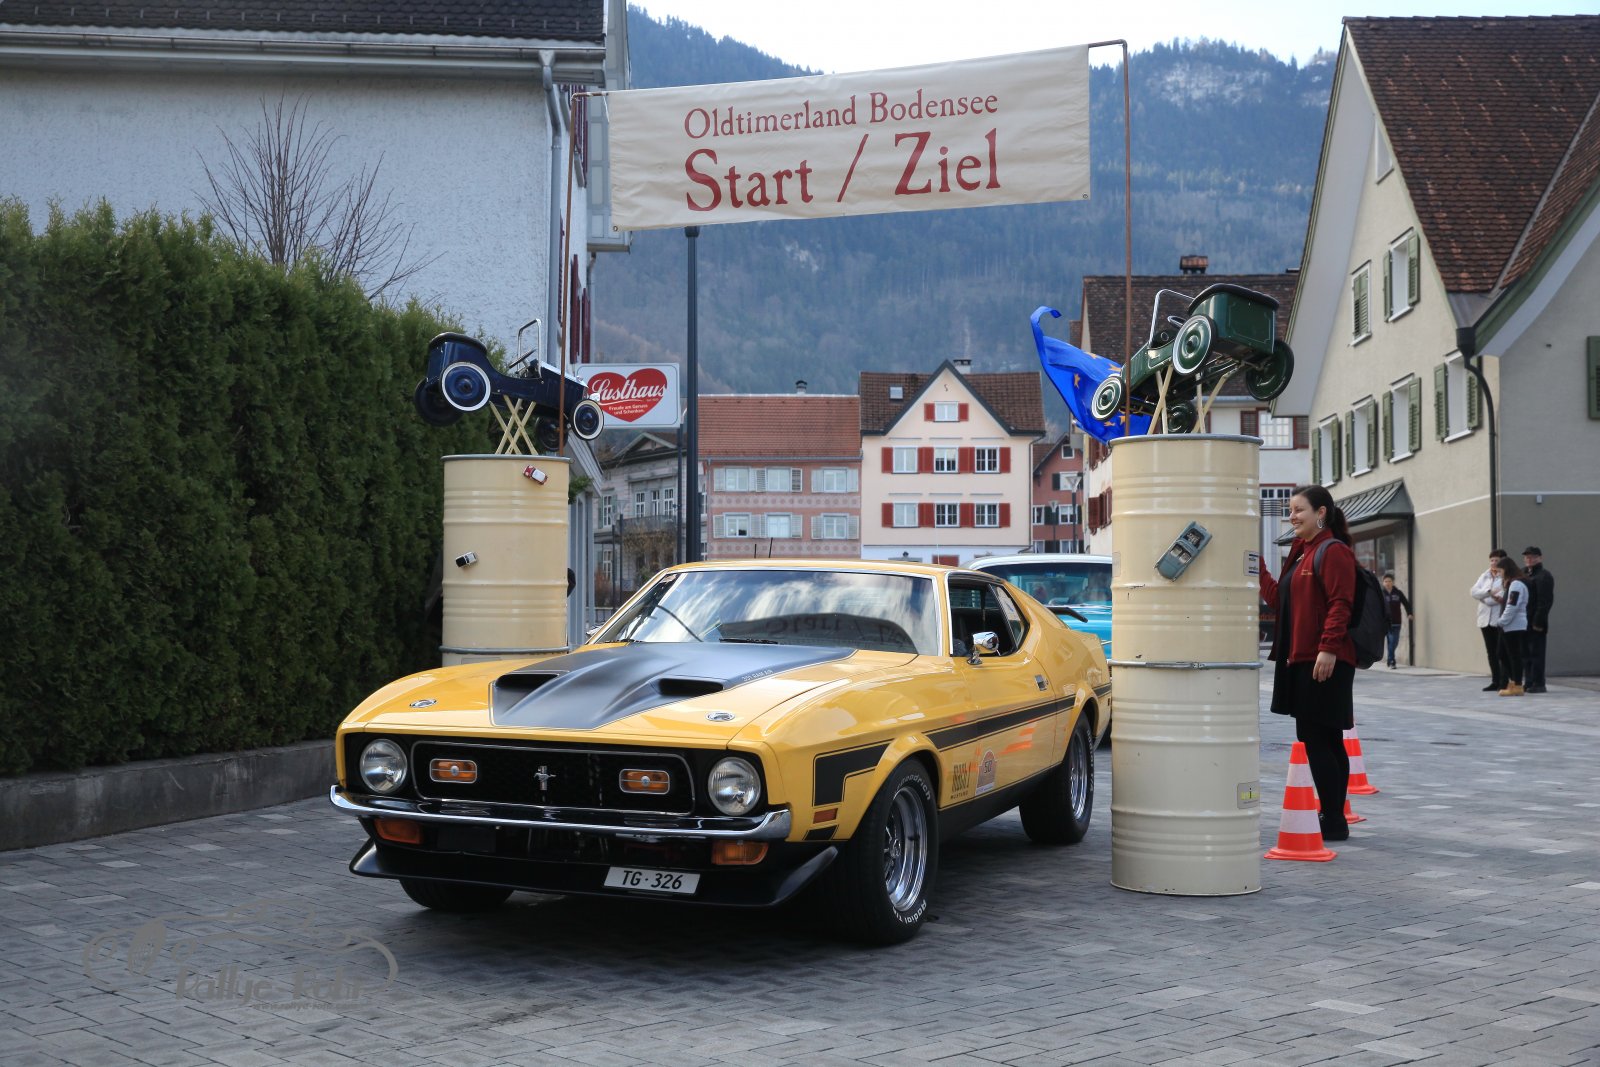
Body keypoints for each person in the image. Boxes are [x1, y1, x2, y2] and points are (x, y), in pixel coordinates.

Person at [1259, 484, 1357, 842]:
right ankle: (1333, 816)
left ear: (1321, 513)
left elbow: (1341, 603)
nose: (1292, 516)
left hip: (1324, 659)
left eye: (1298, 510)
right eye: (1290, 510)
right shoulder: (1302, 551)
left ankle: (1332, 818)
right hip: (1302, 658)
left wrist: (1328, 648)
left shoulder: (1333, 551)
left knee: (1319, 737)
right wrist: (1258, 569)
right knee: (1323, 737)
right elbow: (1280, 600)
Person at [1470, 550, 1508, 692]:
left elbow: (1500, 597)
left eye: (1496, 560)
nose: (1493, 563)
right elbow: (1473, 591)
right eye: (1492, 560)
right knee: (1491, 652)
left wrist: (1484, 598)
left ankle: (1504, 681)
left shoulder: (1505, 576)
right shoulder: (1485, 575)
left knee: (1501, 652)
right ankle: (1495, 680)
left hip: (1498, 619)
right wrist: (1488, 592)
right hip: (1484, 619)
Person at [1494, 556, 1531, 696]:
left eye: (1500, 571)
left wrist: (1502, 621)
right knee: (1502, 653)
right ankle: (1514, 681)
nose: (1499, 574)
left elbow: (1512, 606)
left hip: (1514, 625)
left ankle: (1517, 684)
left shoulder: (1516, 585)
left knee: (1513, 655)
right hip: (1509, 625)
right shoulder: (1511, 584)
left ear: (1506, 569)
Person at [1521, 546, 1554, 693]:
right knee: (1525, 654)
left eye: (1533, 557)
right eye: (1527, 557)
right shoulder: (1522, 574)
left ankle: (1539, 683)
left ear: (1540, 558)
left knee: (1536, 653)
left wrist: (1538, 622)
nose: (1529, 559)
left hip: (1535, 622)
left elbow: (1545, 602)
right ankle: (1529, 681)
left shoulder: (1543, 576)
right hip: (1523, 620)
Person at [1380, 573, 1413, 669]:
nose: (1387, 583)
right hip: (1386, 622)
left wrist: (1409, 613)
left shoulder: (1398, 593)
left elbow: (1406, 603)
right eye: (1386, 581)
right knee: (1391, 640)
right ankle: (1392, 661)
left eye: (1389, 581)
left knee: (1394, 642)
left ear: (1393, 582)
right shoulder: (1381, 594)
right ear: (1383, 583)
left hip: (1397, 621)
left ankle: (1389, 658)